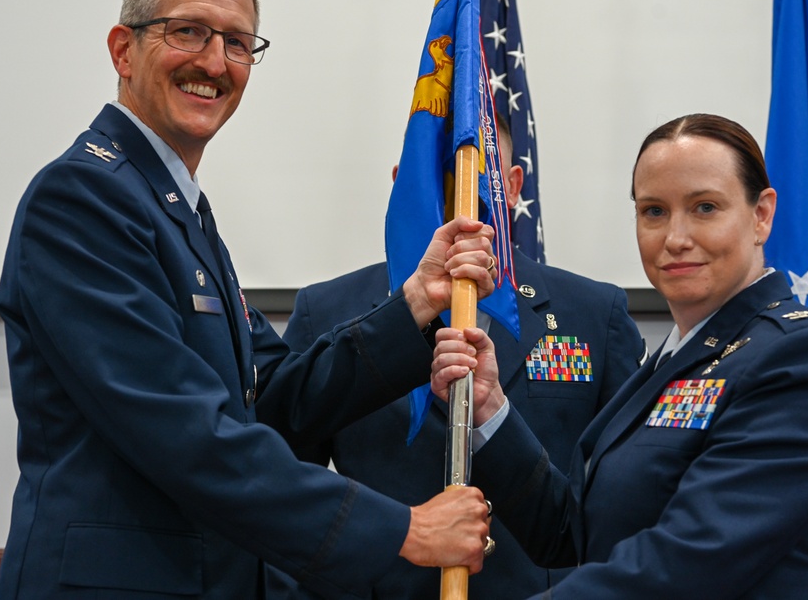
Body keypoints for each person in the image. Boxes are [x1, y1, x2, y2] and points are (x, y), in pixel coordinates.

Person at [0, 0, 497, 599]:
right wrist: (398, 528)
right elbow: (186, 433)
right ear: (123, 50)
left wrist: (413, 305)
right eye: (188, 32)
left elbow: (277, 396)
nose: (213, 62)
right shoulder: (83, 199)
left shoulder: (174, 208)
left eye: (237, 43)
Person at [432, 113, 808, 599]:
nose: (675, 238)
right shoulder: (674, 357)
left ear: (761, 215)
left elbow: (692, 561)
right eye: (654, 211)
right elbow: (572, 532)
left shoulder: (804, 359)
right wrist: (491, 408)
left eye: (705, 207)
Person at [270, 117, 646, 599]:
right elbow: (279, 494)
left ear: (512, 187)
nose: (461, 198)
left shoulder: (595, 314)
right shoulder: (328, 312)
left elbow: (619, 506)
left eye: (478, 175)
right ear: (401, 186)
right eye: (439, 177)